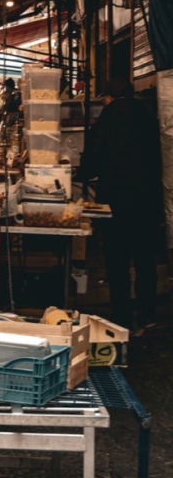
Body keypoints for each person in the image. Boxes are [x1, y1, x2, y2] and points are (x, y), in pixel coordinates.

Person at [79, 78, 163, 333]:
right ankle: (147, 314)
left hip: (115, 199)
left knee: (117, 259)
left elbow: (93, 157)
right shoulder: (149, 116)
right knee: (144, 258)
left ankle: (122, 316)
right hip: (147, 198)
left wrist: (82, 173)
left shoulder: (108, 118)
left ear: (109, 97)